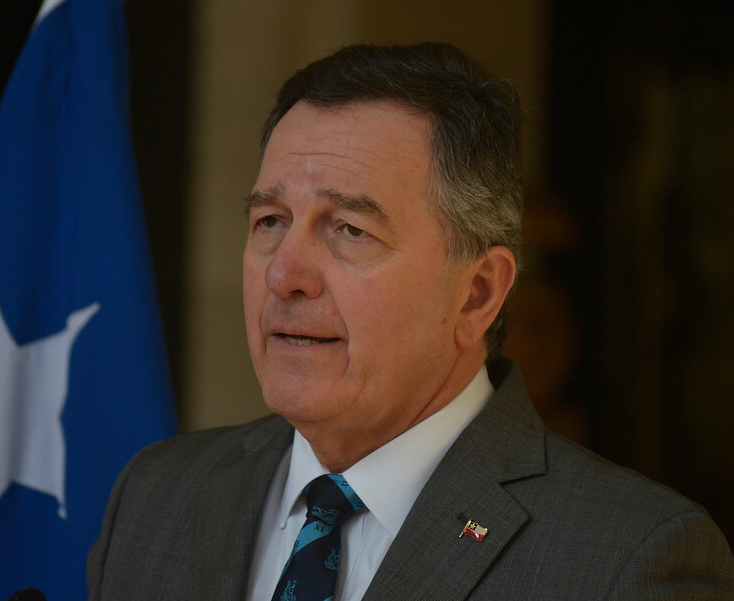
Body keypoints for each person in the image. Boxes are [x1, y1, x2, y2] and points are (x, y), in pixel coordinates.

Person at [86, 43, 733, 600]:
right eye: (270, 221)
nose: (284, 274)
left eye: (350, 229)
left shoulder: (628, 559)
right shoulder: (157, 495)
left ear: (477, 293)